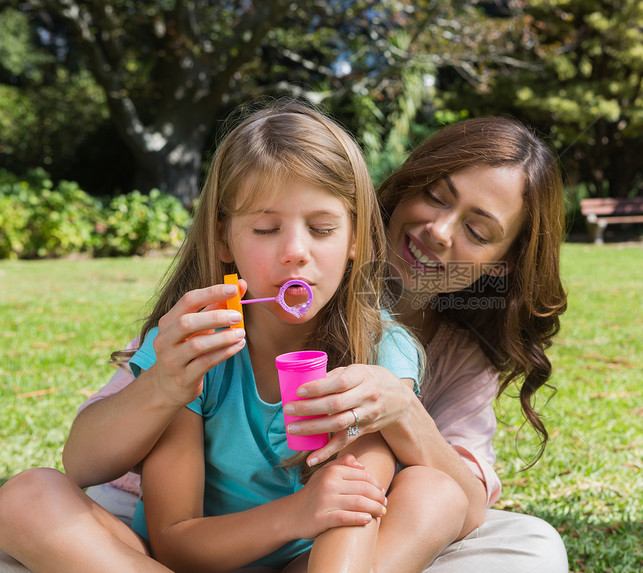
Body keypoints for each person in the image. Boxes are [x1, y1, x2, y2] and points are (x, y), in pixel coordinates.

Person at [0, 115, 570, 572]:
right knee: (27, 499)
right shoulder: (201, 341)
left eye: (477, 230)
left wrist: (400, 409)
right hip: (161, 532)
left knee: (472, 514)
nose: (294, 251)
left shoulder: (390, 355)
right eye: (266, 229)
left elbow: (419, 505)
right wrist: (165, 384)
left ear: (353, 236)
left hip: (318, 552)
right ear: (224, 236)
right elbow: (157, 525)